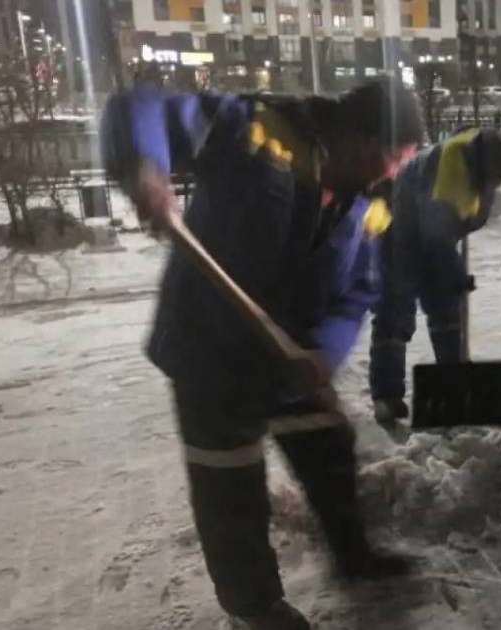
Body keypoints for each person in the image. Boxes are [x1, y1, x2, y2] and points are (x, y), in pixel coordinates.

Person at [100, 78, 422, 630]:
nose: (392, 172)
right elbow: (141, 107)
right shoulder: (254, 128)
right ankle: (255, 606)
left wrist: (324, 351)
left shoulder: (371, 202)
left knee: (329, 446)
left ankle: (354, 557)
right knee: (230, 484)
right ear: (356, 133)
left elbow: (360, 290)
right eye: (391, 156)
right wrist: (147, 169)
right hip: (211, 349)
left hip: (289, 354)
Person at [369, 127, 501, 423]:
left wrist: (453, 276)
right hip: (398, 229)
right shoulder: (452, 168)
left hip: (432, 232)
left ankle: (454, 383)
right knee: (396, 310)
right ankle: (387, 397)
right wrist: (456, 275)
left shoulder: (483, 162)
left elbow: (455, 226)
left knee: (446, 310)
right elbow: (436, 236)